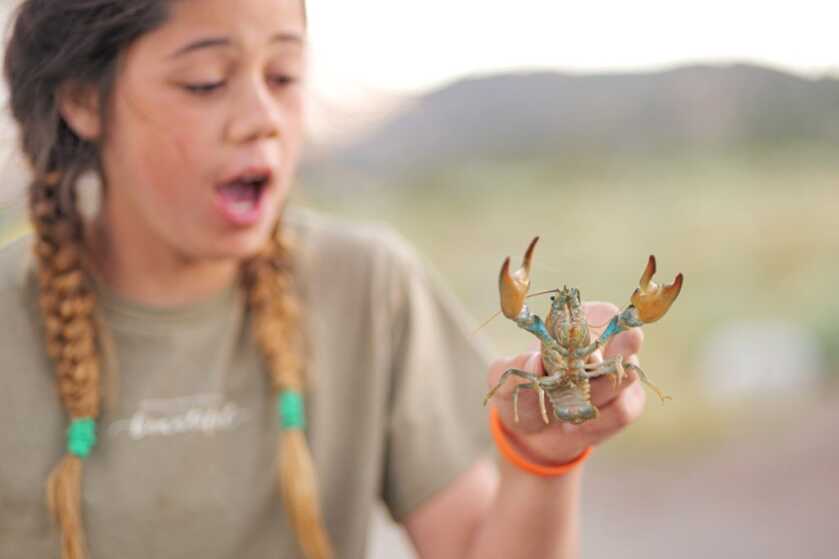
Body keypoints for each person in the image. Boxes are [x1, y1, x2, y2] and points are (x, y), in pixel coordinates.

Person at [0, 1, 650, 558]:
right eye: (204, 82)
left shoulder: (368, 286)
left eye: (283, 76)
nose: (263, 118)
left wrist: (542, 460)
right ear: (84, 99)